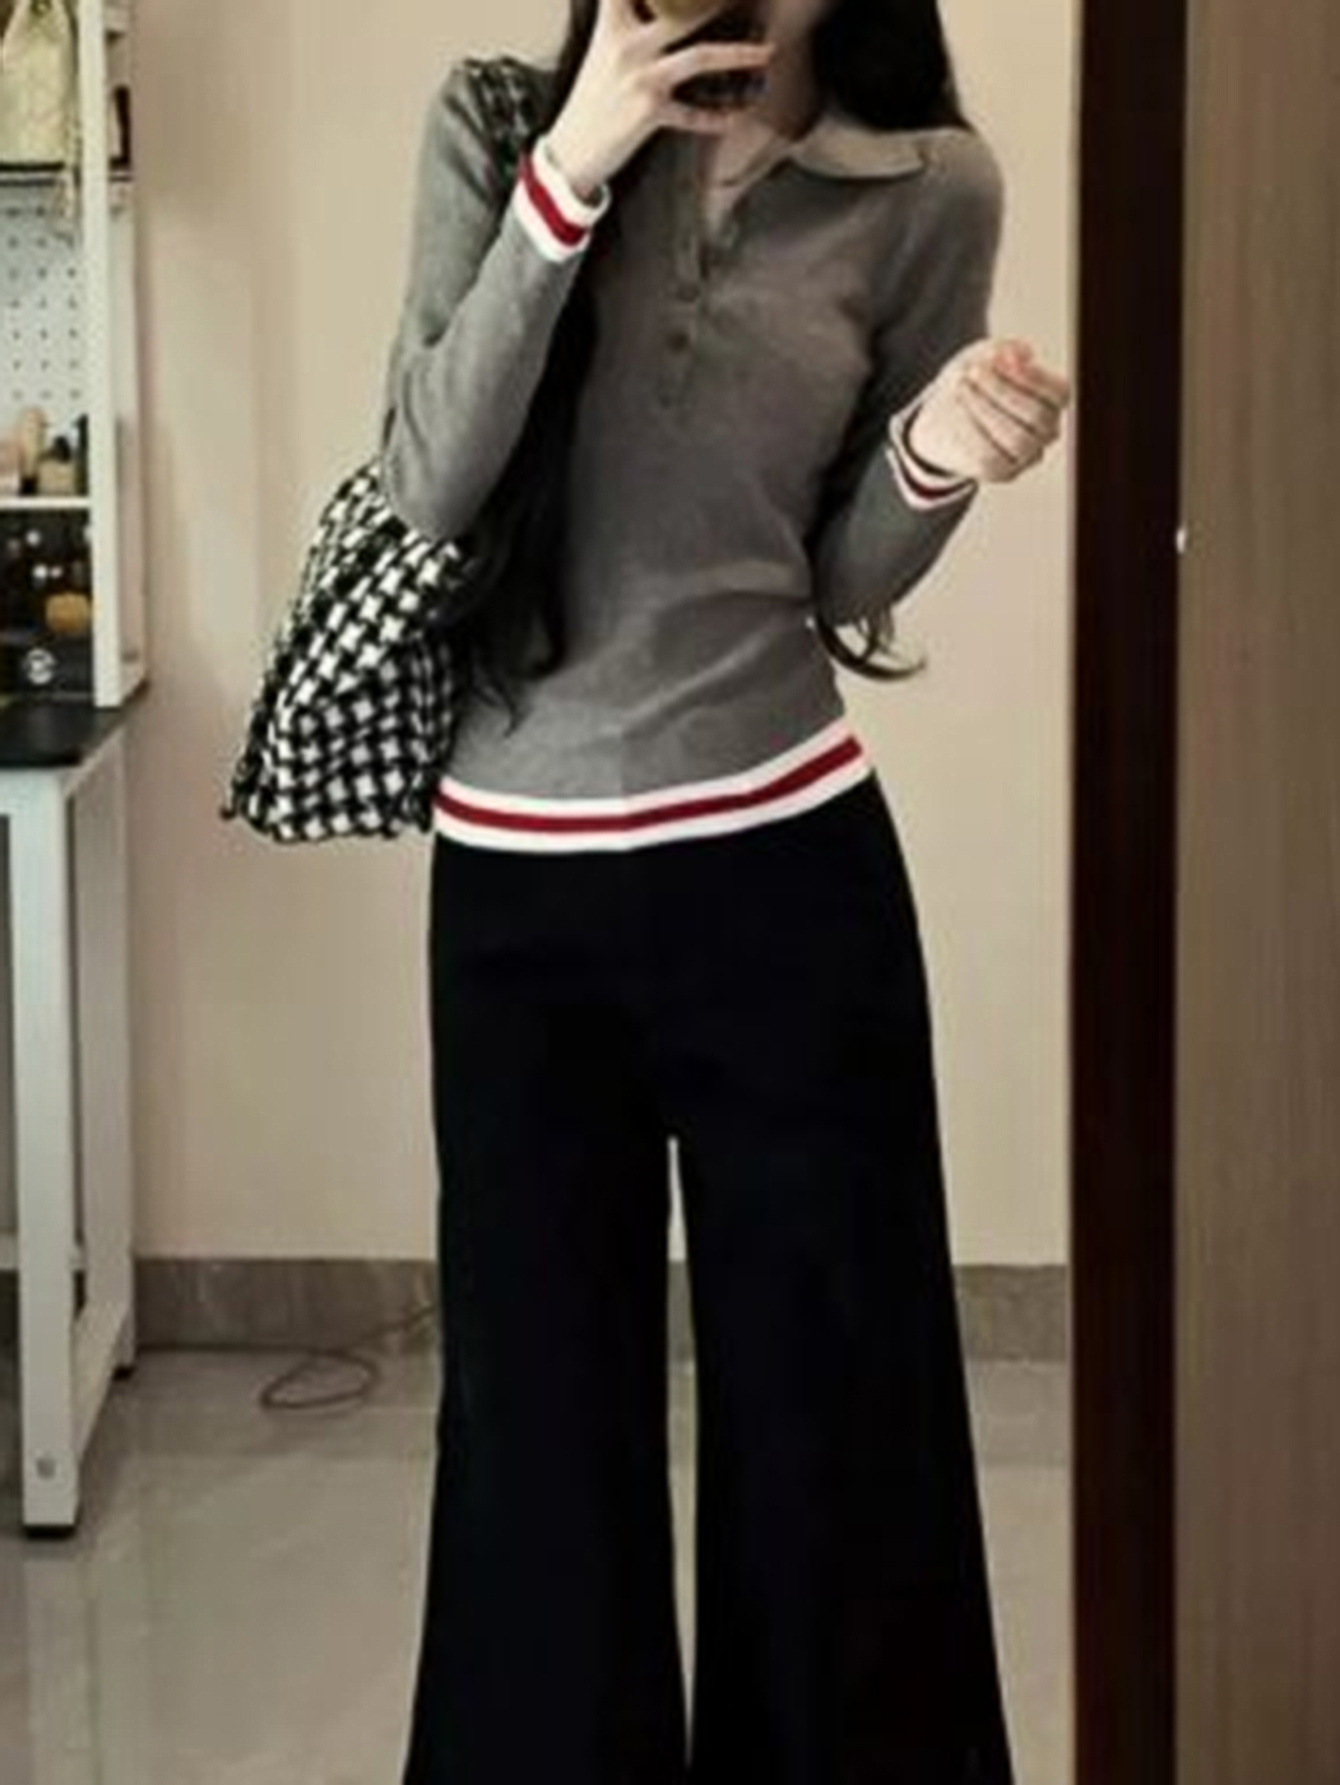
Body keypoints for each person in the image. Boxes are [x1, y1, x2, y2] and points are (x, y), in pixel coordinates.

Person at [379, 0, 1070, 1778]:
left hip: (786, 870)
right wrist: (577, 164)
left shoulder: (930, 187)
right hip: (519, 905)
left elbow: (837, 573)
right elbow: (429, 483)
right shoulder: (497, 125)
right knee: (537, 1451)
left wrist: (935, 458)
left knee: (841, 1440)